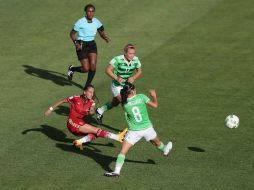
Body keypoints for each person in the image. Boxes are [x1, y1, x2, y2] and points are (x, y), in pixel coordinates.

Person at [104, 83, 173, 177]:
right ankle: (165, 149)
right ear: (132, 91)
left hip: (134, 131)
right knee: (156, 143)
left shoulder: (124, 103)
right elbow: (155, 105)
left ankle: (116, 171)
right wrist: (154, 96)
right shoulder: (141, 97)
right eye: (135, 89)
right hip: (148, 128)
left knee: (123, 151)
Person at [44, 84, 127, 150]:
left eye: (92, 92)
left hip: (79, 124)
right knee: (97, 130)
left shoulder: (92, 102)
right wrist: (50, 109)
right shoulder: (75, 98)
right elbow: (63, 100)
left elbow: (92, 111)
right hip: (72, 123)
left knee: (95, 134)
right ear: (84, 92)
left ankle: (79, 142)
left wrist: (91, 112)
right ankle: (117, 137)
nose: (91, 94)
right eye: (90, 92)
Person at [96, 44, 142, 124]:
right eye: (130, 53)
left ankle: (100, 110)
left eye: (133, 53)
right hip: (116, 86)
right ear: (125, 52)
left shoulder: (135, 59)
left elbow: (139, 71)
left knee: (115, 103)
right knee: (126, 104)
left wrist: (133, 77)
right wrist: (117, 78)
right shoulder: (117, 59)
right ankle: (133, 125)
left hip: (127, 86)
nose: (132, 55)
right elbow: (108, 70)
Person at [68, 4, 110, 88]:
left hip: (92, 44)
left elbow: (100, 30)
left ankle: (87, 86)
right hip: (81, 44)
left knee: (93, 65)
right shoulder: (80, 22)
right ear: (86, 12)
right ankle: (72, 69)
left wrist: (104, 37)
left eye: (92, 11)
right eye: (88, 11)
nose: (90, 13)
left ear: (94, 12)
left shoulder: (96, 21)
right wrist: (76, 43)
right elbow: (72, 34)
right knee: (86, 68)